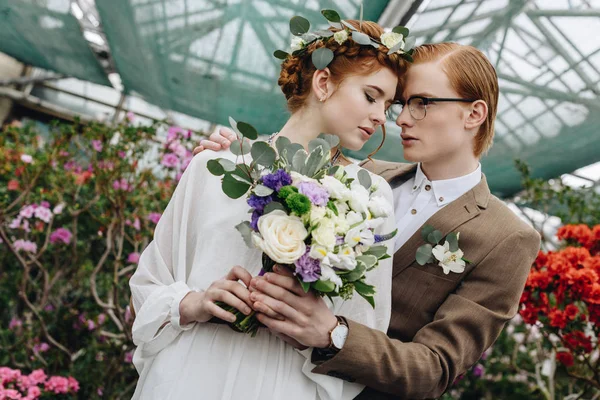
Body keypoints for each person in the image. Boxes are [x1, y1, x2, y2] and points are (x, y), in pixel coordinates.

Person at [194, 42, 541, 399]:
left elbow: (436, 367)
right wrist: (241, 153)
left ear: (474, 114)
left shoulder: (508, 238)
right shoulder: (357, 177)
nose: (402, 119)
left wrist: (333, 334)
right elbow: (287, 154)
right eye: (401, 104)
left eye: (421, 103)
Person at [129, 18, 407, 400]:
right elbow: (149, 282)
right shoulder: (216, 164)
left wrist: (319, 326)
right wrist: (194, 301)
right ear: (323, 83)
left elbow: (367, 322)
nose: (380, 117)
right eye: (372, 96)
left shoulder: (371, 196)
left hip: (285, 381)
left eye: (388, 106)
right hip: (190, 371)